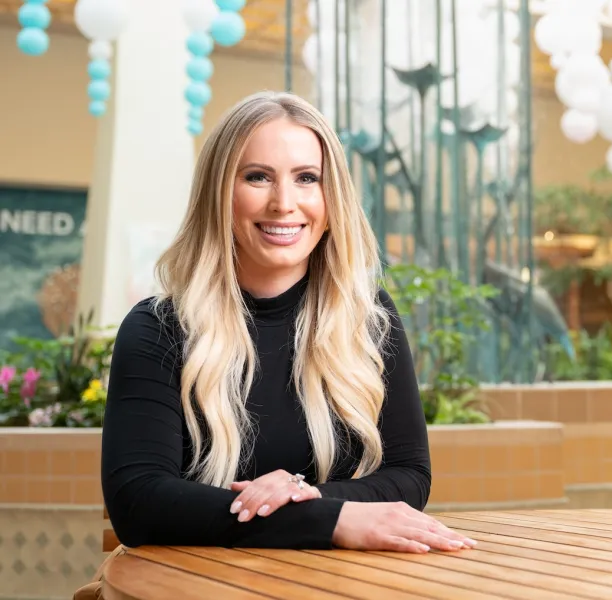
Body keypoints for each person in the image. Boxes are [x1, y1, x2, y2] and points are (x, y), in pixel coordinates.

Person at [100, 91, 475, 554]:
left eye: (306, 178)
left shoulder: (368, 318)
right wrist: (328, 518)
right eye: (257, 177)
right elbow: (138, 502)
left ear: (330, 196)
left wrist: (303, 494)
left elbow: (409, 476)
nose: (284, 203)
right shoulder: (158, 328)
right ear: (220, 192)